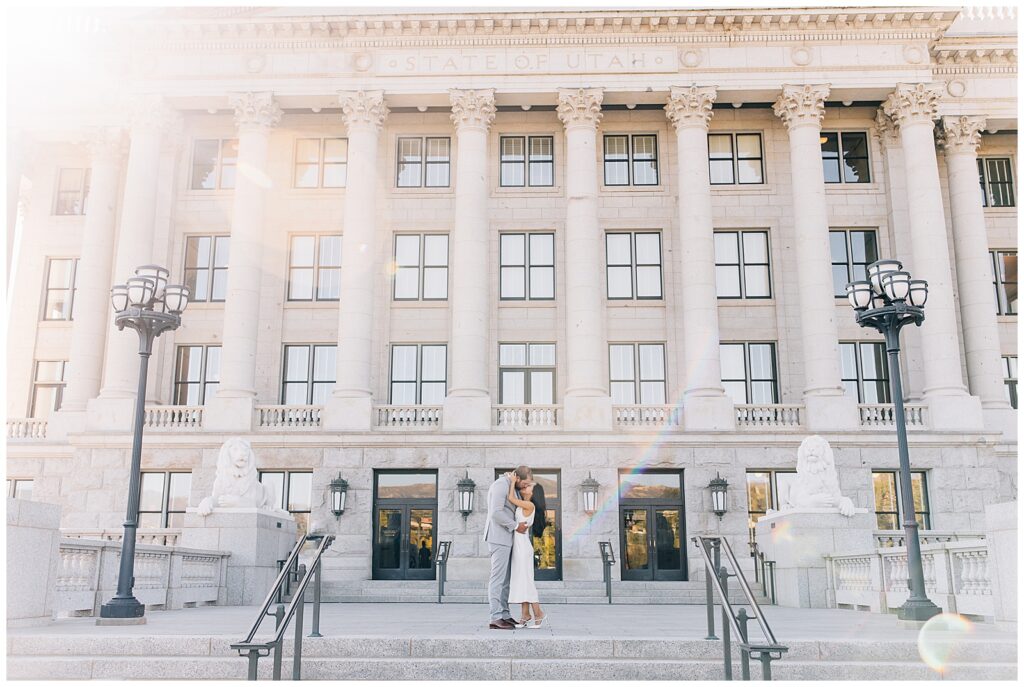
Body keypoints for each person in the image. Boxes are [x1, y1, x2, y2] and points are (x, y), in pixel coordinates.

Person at [483, 465, 532, 629]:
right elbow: (495, 513)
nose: (525, 486)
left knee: (505, 581)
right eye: (524, 483)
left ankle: (504, 614)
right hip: (499, 538)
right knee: (497, 579)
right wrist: (516, 525)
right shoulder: (500, 484)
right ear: (517, 478)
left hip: (509, 539)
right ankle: (495, 617)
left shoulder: (511, 485)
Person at [505, 472, 546, 628]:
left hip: (523, 548)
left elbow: (510, 499)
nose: (525, 486)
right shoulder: (524, 503)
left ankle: (538, 613)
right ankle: (525, 615)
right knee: (522, 581)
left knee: (527, 581)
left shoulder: (529, 505)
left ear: (533, 493)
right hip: (519, 546)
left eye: (529, 486)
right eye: (526, 484)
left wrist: (511, 481)